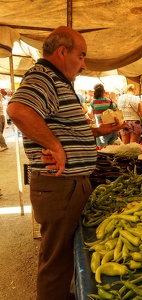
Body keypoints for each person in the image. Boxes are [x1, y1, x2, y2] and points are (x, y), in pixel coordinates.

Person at [7, 26, 125, 300]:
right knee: (55, 259)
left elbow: (60, 126)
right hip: (60, 185)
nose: (84, 64)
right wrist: (54, 145)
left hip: (68, 185)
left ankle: (60, 295)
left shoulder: (57, 81)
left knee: (60, 255)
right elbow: (18, 109)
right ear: (62, 52)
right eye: (81, 56)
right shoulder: (44, 76)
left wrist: (92, 133)